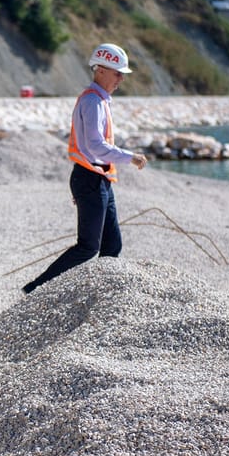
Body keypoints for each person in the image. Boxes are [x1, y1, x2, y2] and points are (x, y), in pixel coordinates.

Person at [23, 43, 148, 294]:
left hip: (99, 179)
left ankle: (102, 296)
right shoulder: (92, 102)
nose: (121, 79)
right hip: (88, 179)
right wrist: (130, 157)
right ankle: (35, 289)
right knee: (89, 247)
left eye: (122, 73)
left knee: (112, 246)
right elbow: (95, 146)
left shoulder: (100, 101)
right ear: (100, 70)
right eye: (117, 72)